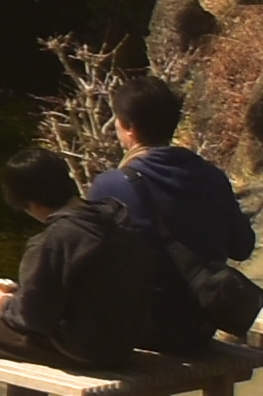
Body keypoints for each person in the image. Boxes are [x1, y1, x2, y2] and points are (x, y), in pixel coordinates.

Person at [0, 146, 204, 396]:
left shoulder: (54, 240)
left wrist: (4, 302)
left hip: (84, 348)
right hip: (126, 340)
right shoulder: (116, 218)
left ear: (31, 202)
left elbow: (33, 319)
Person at [92, 75, 260, 340]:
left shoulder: (109, 185)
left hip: (140, 328)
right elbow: (243, 247)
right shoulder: (212, 177)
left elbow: (90, 259)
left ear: (128, 127)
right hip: (202, 325)